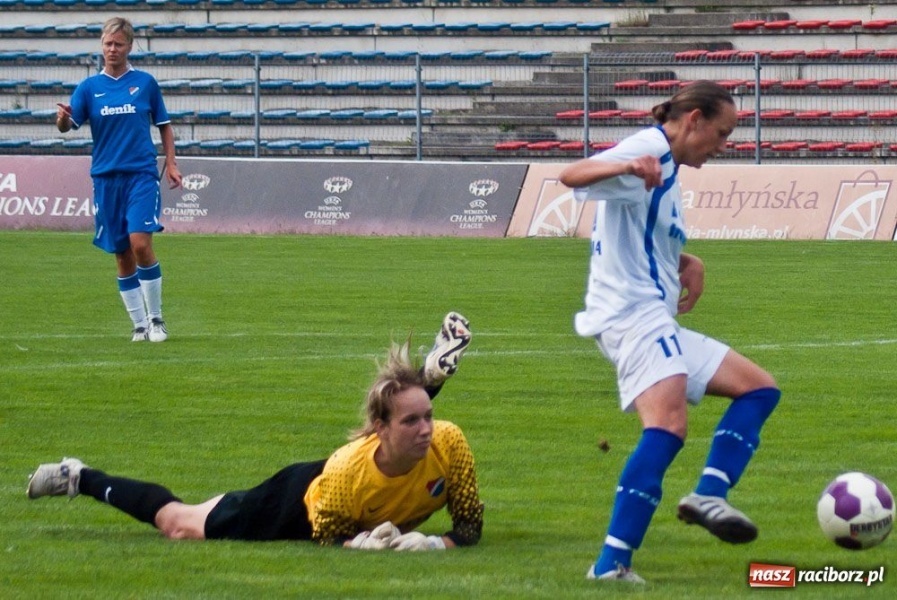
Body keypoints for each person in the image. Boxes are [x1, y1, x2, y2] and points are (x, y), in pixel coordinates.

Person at [558, 81, 781, 584]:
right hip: (633, 316)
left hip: (653, 315)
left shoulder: (670, 165)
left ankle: (709, 495)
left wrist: (685, 259)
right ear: (694, 120)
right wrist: (625, 165)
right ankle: (610, 566)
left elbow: (635, 233)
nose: (723, 145)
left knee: (759, 389)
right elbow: (570, 175)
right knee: (667, 426)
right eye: (721, 133)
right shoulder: (650, 148)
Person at [26, 312, 482, 550]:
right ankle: (79, 477)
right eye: (413, 420)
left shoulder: (448, 441)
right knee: (179, 525)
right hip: (295, 504)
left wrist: (433, 546)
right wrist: (359, 545)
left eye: (428, 416)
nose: (427, 430)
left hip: (359, 475)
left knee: (389, 444)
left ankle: (427, 379)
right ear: (380, 427)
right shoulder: (345, 473)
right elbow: (325, 536)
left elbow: (469, 528)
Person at [56, 16, 183, 343]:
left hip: (140, 174)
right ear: (101, 46)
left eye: (118, 44)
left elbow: (164, 125)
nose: (112, 49)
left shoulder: (145, 83)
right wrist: (62, 120)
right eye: (107, 44)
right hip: (105, 179)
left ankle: (157, 319)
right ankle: (139, 325)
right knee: (122, 253)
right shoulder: (88, 88)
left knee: (141, 243)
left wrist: (170, 163)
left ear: (129, 47)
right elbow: (69, 125)